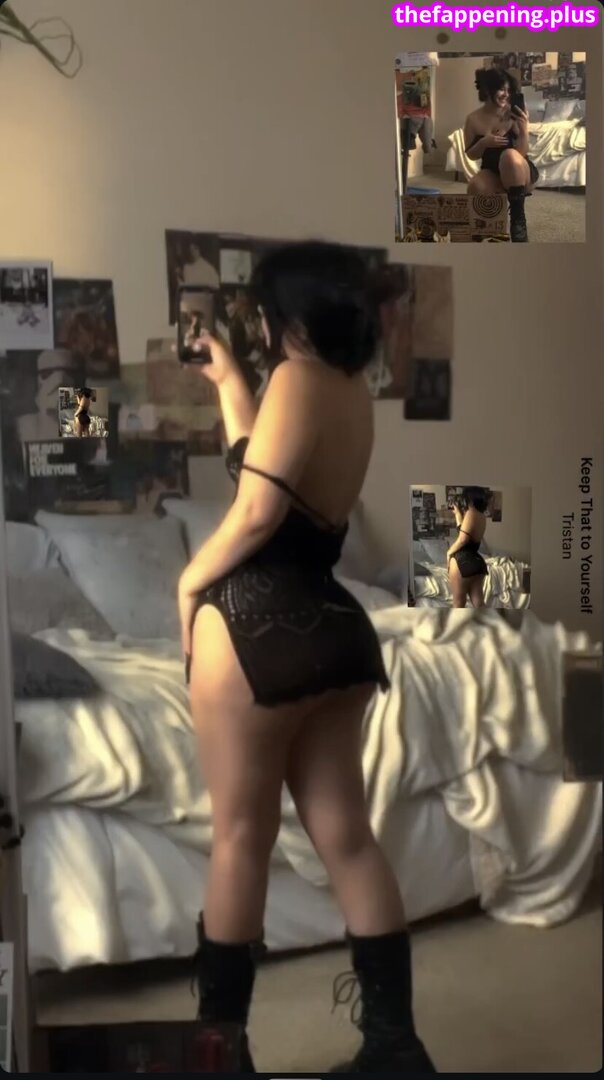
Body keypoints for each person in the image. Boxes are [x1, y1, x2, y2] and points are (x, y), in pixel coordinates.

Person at [177, 241, 436, 1074]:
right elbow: (267, 474)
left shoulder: (295, 378)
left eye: (259, 313)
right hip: (333, 632)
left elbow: (256, 512)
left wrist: (190, 580)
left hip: (252, 629)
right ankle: (396, 1048)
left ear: (279, 315)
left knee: (238, 840)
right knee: (349, 839)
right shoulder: (349, 391)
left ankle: (221, 1055)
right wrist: (228, 384)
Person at [464, 68, 539, 242]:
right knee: (475, 186)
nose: (506, 94)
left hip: (518, 173)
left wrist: (524, 128)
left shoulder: (514, 113)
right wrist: (483, 143)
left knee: (509, 156)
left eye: (509, 90)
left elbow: (522, 153)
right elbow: (471, 155)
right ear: (488, 90)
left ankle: (518, 219)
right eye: (501, 89)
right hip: (491, 171)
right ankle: (490, 231)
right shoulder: (473, 119)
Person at [446, 489, 489, 608]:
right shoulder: (481, 516)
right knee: (479, 604)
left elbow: (463, 539)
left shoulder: (470, 513)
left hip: (462, 561)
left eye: (465, 498)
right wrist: (457, 514)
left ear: (470, 499)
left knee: (458, 604)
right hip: (477, 563)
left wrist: (449, 552)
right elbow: (464, 531)